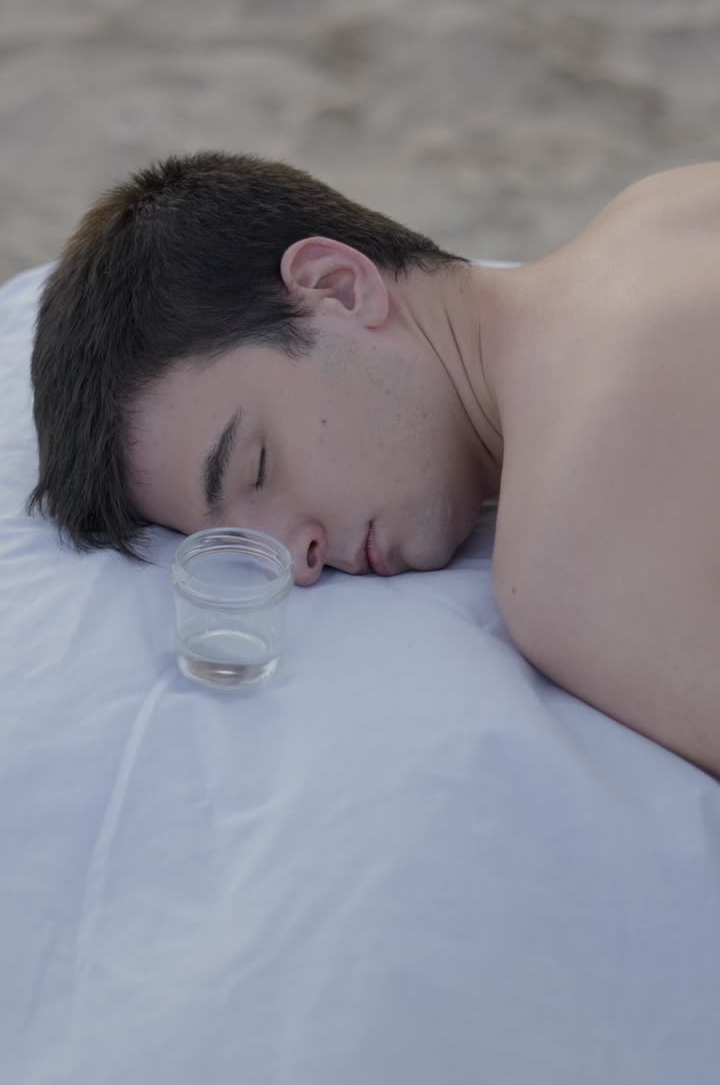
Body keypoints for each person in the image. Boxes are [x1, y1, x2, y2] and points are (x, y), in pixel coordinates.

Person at [28, 152, 720, 775]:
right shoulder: (662, 210)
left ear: (337, 286)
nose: (296, 563)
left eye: (258, 468)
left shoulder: (569, 563)